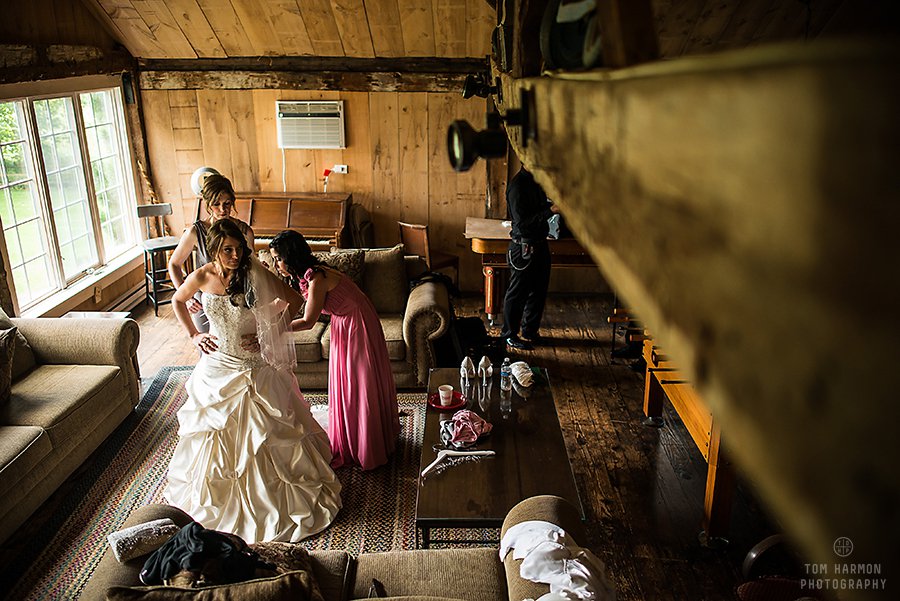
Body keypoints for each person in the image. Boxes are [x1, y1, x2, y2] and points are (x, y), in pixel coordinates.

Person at [166, 219, 341, 543]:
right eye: (226, 250)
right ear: (214, 251)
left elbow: (294, 298)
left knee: (269, 432)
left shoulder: (255, 272)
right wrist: (194, 334)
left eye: (238, 249)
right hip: (217, 364)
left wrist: (266, 330)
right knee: (211, 432)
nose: (234, 255)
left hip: (252, 365)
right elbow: (177, 300)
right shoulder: (203, 275)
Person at [268, 230, 400, 471]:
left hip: (356, 324)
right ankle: (359, 437)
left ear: (291, 255)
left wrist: (276, 330)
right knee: (351, 382)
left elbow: (308, 321)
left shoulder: (318, 278)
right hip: (346, 322)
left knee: (358, 383)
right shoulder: (308, 275)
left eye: (278, 258)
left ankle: (366, 446)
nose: (276, 264)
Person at [168, 173, 255, 333]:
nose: (223, 209)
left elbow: (251, 267)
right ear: (207, 204)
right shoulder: (196, 231)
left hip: (239, 300)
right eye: (216, 204)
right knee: (208, 348)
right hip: (206, 301)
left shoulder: (244, 231)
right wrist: (185, 295)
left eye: (227, 203)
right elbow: (174, 264)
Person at [501, 166, 560, 351]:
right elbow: (523, 223)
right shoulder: (518, 186)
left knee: (538, 292)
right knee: (517, 294)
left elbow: (539, 208)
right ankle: (509, 335)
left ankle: (529, 332)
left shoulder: (536, 181)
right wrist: (552, 210)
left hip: (540, 244)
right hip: (523, 246)